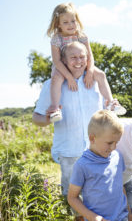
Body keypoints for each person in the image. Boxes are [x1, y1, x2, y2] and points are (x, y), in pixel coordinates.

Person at [32, 41, 118, 220]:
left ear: (88, 59)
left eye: (82, 57)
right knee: (74, 203)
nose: (78, 61)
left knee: (100, 202)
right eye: (73, 57)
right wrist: (48, 118)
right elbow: (36, 118)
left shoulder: (96, 82)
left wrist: (112, 107)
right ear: (62, 60)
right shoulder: (52, 85)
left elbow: (108, 113)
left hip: (98, 153)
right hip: (70, 153)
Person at [46, 2, 125, 122]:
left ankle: (111, 103)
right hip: (63, 67)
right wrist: (69, 77)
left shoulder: (81, 36)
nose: (70, 25)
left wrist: (89, 72)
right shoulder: (56, 39)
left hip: (82, 65)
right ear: (58, 24)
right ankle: (55, 108)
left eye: (73, 21)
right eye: (65, 22)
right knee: (56, 78)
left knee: (101, 75)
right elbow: (56, 61)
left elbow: (89, 57)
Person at [67, 110, 128, 221]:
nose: (114, 147)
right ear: (92, 138)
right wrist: (94, 217)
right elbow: (72, 198)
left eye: (117, 142)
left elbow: (120, 187)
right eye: (110, 143)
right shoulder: (82, 165)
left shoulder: (117, 156)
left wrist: (128, 213)